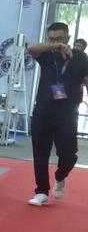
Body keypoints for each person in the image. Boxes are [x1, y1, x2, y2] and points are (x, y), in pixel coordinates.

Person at [26, 22, 88, 206]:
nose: (55, 42)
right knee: (40, 153)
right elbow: (31, 48)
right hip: (43, 111)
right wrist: (55, 45)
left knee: (68, 154)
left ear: (68, 37)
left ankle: (60, 177)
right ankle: (41, 191)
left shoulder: (80, 57)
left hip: (67, 114)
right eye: (51, 38)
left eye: (60, 38)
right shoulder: (47, 53)